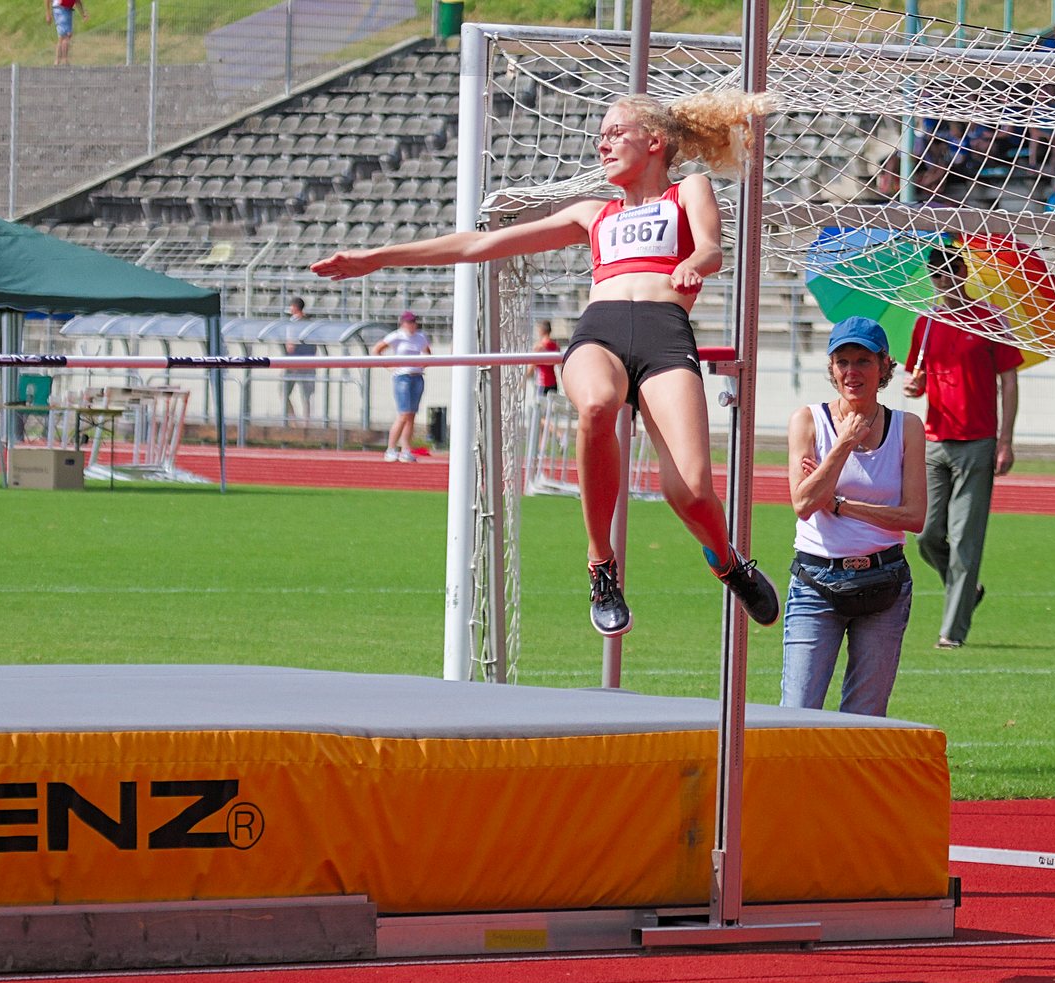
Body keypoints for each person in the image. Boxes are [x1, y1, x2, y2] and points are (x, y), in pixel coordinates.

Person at [312, 91, 780, 637]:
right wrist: (376, 258)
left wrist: (695, 262)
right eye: (600, 136)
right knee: (597, 405)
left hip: (665, 334)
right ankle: (601, 564)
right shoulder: (592, 213)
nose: (603, 144)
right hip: (600, 332)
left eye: (615, 133)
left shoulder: (688, 190)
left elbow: (712, 248)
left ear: (654, 142)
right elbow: (479, 246)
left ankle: (726, 561)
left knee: (693, 493)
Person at [781, 317, 926, 716]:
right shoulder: (808, 420)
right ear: (831, 368)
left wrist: (841, 505)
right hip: (817, 582)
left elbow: (914, 517)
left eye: (863, 361)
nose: (852, 371)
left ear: (884, 366)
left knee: (865, 720)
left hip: (884, 582)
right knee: (797, 713)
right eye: (842, 361)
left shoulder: (907, 427)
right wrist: (843, 443)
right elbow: (804, 503)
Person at [902, 248, 1022, 650]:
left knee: (965, 539)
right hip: (935, 441)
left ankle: (952, 632)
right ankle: (967, 591)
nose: (941, 280)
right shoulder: (926, 324)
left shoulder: (991, 320)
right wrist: (914, 386)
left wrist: (1005, 440)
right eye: (935, 274)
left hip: (977, 442)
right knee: (926, 535)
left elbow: (1009, 381)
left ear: (962, 272)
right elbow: (918, 379)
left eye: (947, 271)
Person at [373, 311, 431, 463]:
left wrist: (422, 364)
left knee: (411, 416)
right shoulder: (396, 336)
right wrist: (389, 366)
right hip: (402, 377)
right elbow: (377, 350)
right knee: (403, 414)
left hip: (417, 377)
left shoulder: (421, 336)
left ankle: (406, 450)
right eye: (409, 322)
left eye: (414, 322)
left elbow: (428, 354)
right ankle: (391, 448)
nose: (412, 324)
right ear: (403, 323)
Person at [282, 298, 317, 426]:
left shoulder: (293, 324)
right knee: (306, 395)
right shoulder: (310, 324)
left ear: (295, 307)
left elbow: (290, 346)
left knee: (285, 392)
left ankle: (294, 422)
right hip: (308, 363)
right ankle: (306, 422)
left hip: (294, 363)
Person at [45, 0, 87, 67]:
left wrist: (48, 13)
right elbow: (78, 1)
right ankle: (64, 60)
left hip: (58, 9)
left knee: (62, 36)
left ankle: (58, 61)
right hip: (63, 9)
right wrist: (83, 13)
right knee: (66, 36)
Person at [533, 319, 559, 396]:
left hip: (542, 383)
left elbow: (532, 366)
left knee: (540, 403)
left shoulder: (539, 347)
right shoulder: (555, 346)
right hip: (553, 382)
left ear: (542, 330)